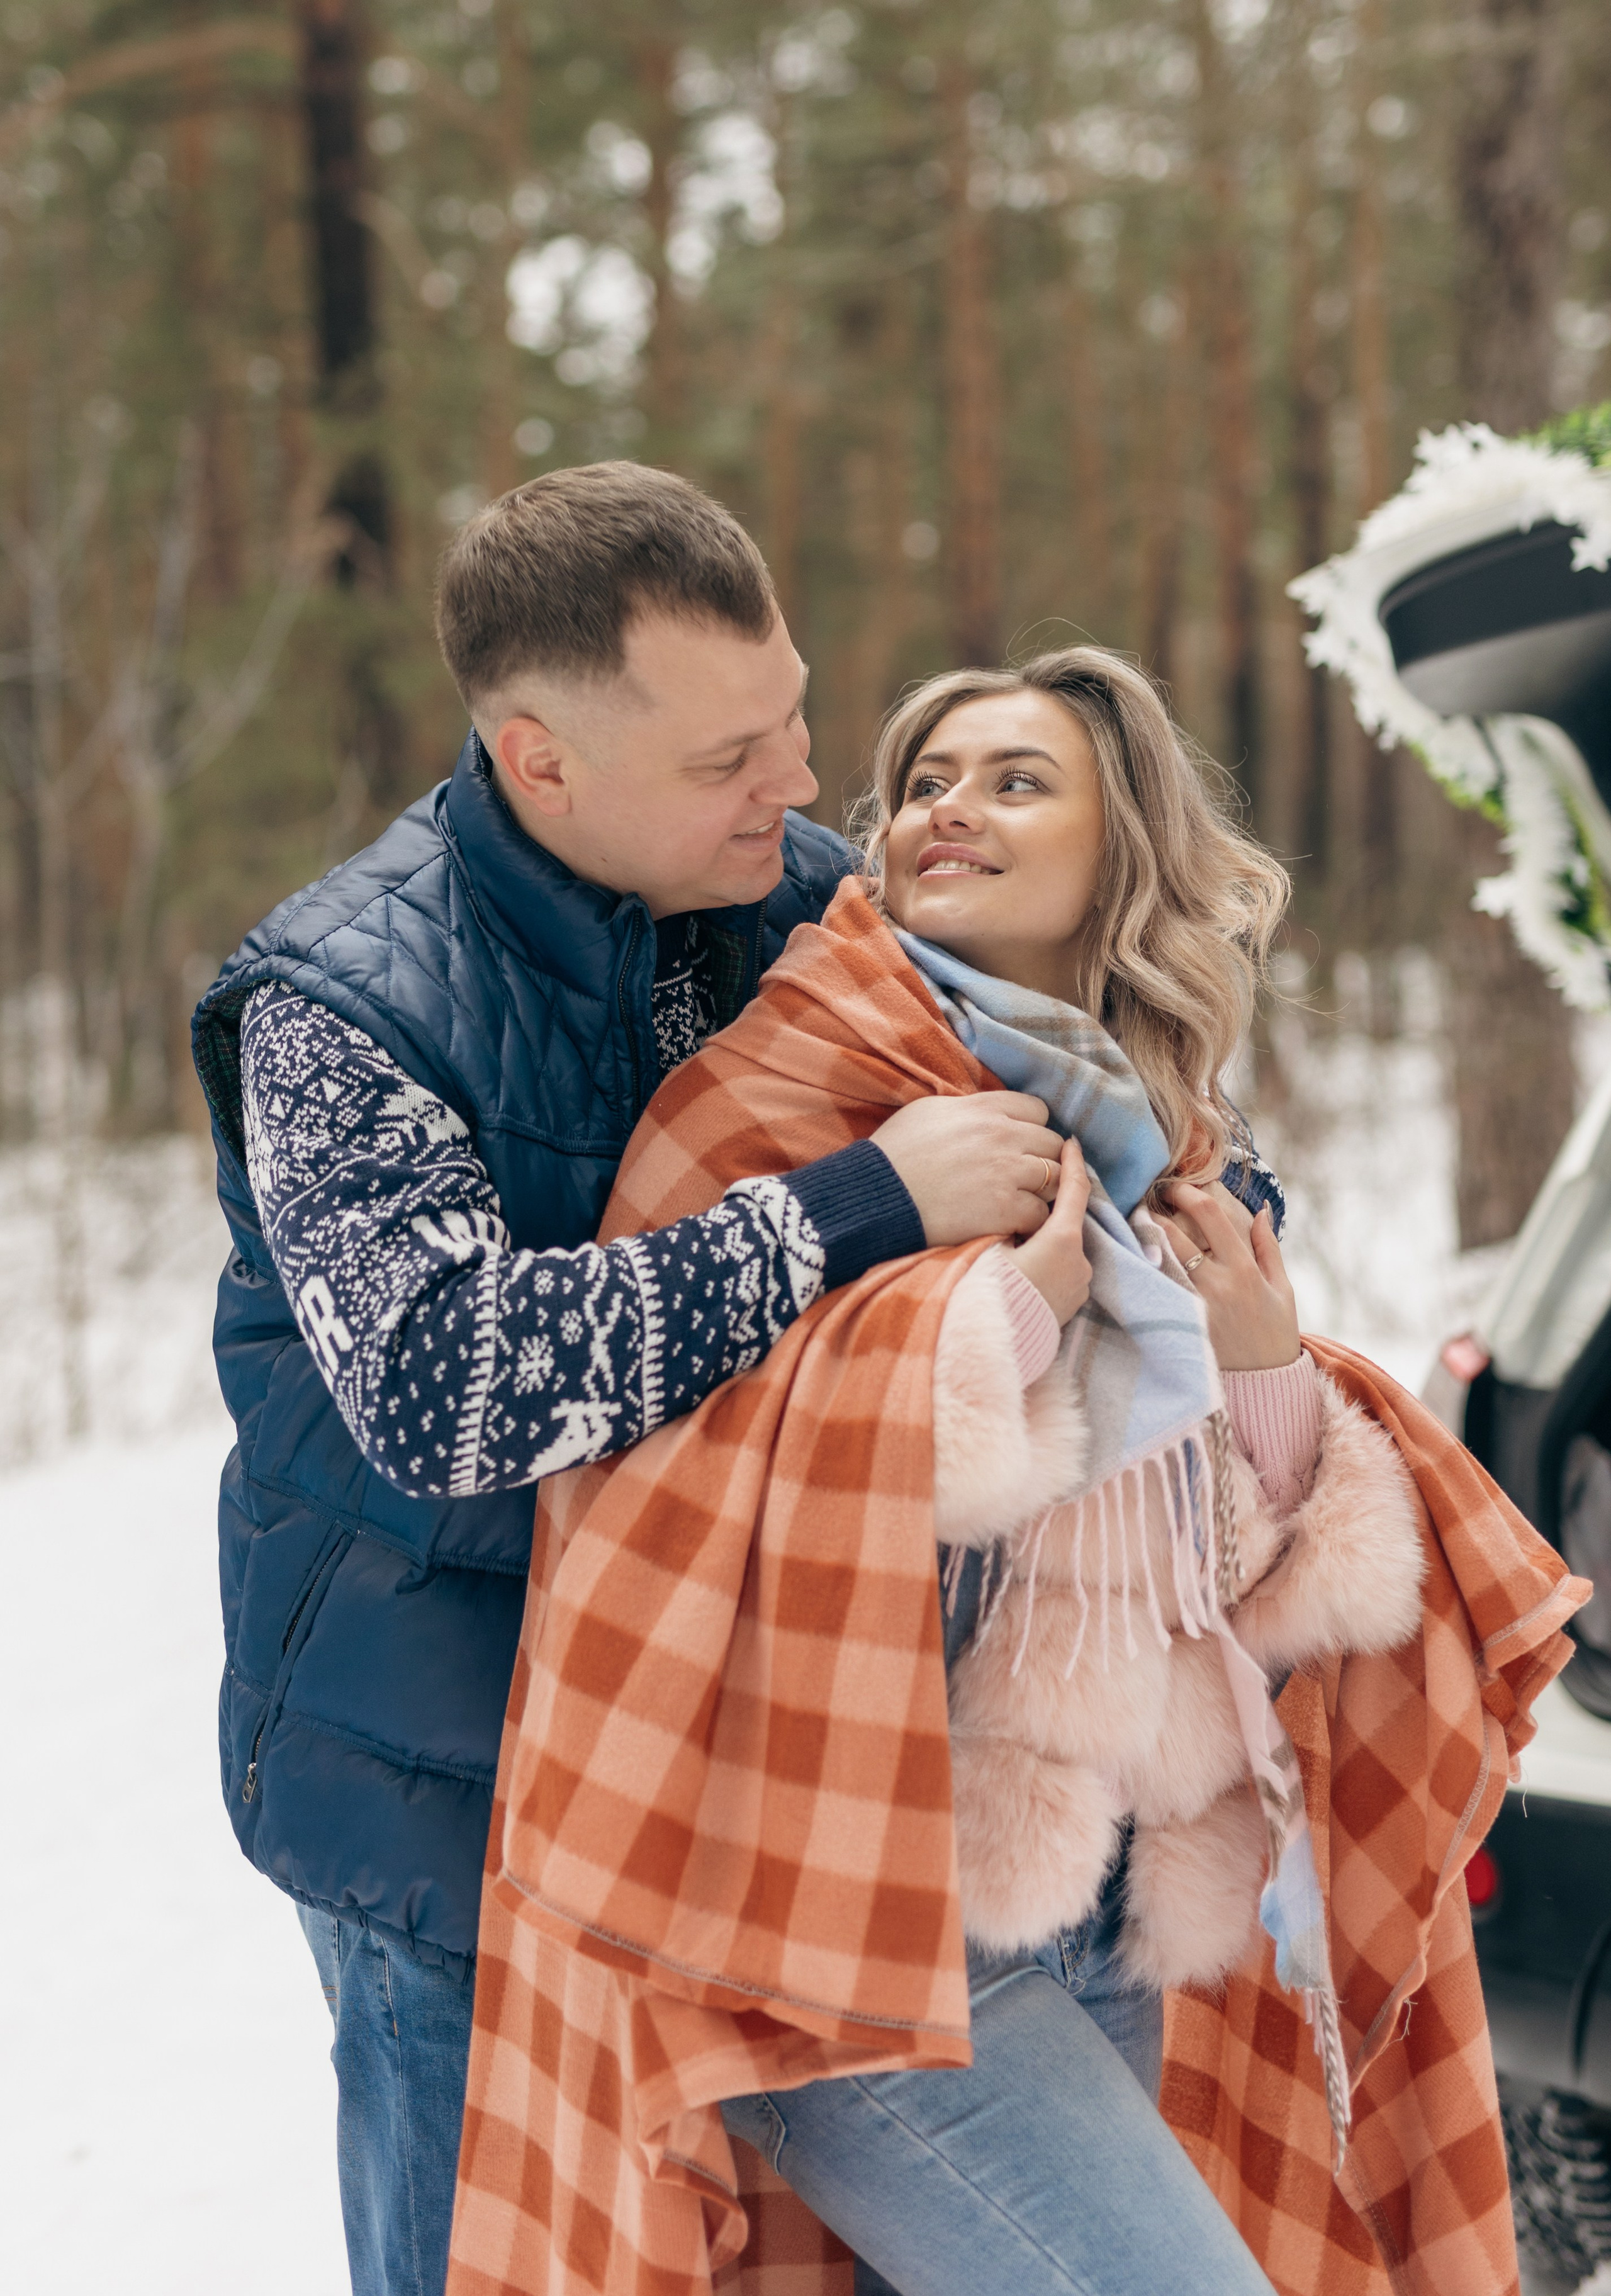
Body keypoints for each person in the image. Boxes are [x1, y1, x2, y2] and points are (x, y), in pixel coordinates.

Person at [448, 647, 1429, 2296]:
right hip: (856, 1928)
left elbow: (1239, 1572)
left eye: (1014, 780)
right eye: (923, 782)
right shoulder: (769, 1100)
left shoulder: (1165, 1140)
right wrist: (1012, 1324)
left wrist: (1259, 1356)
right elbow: (676, 1515)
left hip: (1111, 1901)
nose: (945, 808)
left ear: (1121, 851)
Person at [189, 463, 1067, 2296]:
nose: (804, 784)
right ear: (541, 759)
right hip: (450, 1797)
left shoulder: (805, 900)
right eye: (728, 758)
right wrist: (856, 1209)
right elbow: (452, 1390)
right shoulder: (337, 1009)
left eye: (798, 720)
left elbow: (1087, 1096)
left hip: (764, 1764)